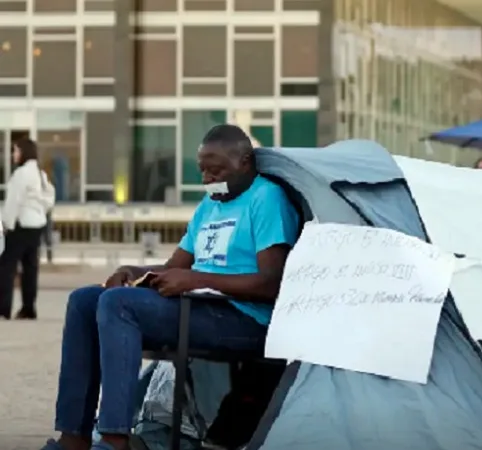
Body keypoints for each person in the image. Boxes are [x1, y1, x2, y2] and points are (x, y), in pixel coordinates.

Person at [39, 124, 300, 450]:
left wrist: (198, 279)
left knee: (119, 304)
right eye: (202, 170)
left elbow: (271, 283)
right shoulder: (210, 204)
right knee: (85, 300)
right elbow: (175, 266)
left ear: (244, 162)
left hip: (244, 318)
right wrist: (133, 271)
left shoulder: (266, 198)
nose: (207, 179)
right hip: (199, 304)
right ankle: (73, 438)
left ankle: (114, 438)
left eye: (216, 170)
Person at [0, 138, 56, 320]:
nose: (13, 154)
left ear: (24, 152)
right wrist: (39, 210)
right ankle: (28, 308)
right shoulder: (40, 174)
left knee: (6, 267)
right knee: (30, 268)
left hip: (21, 224)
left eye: (16, 151)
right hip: (37, 225)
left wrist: (6, 224)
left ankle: (3, 308)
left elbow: (13, 201)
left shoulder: (21, 174)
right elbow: (50, 197)